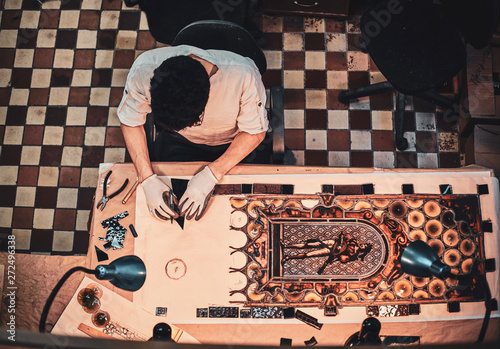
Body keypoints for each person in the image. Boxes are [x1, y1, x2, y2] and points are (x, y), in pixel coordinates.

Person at [118, 45, 268, 221]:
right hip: (178, 141)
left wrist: (212, 174)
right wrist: (146, 178)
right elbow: (131, 122)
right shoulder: (142, 71)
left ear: (207, 96)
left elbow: (254, 133)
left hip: (233, 142)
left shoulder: (243, 75)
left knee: (246, 208)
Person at [281, 233, 373, 274]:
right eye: (364, 244)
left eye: (364, 247)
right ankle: (286, 246)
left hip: (330, 251)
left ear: (364, 251)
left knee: (308, 254)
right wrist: (340, 244)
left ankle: (288, 257)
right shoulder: (353, 241)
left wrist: (329, 262)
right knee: (308, 245)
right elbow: (342, 235)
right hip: (332, 243)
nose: (362, 245)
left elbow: (341, 259)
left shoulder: (354, 255)